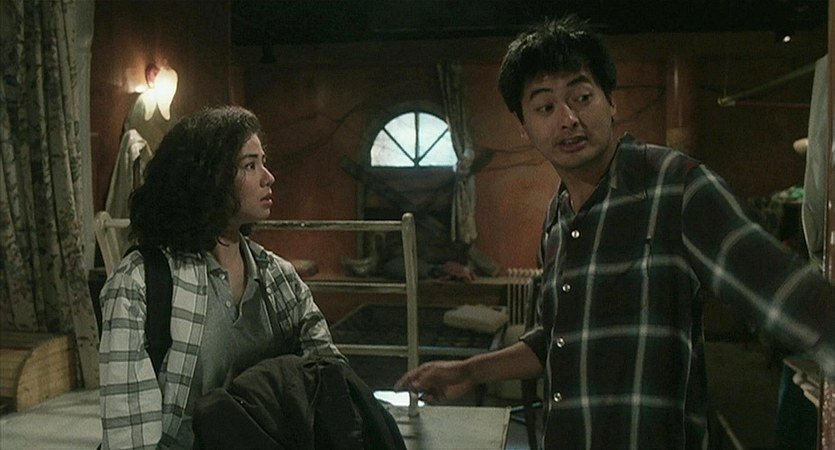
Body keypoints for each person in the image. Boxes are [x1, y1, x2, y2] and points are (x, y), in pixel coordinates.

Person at [395, 16, 835, 448]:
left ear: (610, 103)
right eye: (546, 107)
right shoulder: (557, 219)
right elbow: (555, 338)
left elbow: (785, 292)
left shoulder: (675, 187)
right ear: (525, 129)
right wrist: (469, 371)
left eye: (582, 97)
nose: (568, 119)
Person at [98, 106, 344, 449]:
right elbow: (129, 429)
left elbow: (331, 380)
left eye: (263, 162)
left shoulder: (278, 278)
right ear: (206, 177)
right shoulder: (140, 281)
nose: (268, 177)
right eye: (250, 165)